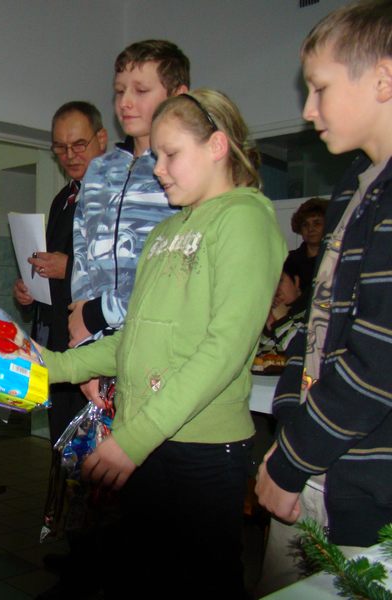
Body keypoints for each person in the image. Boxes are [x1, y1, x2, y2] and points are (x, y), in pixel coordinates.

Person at [41, 90, 285, 597]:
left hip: (201, 448)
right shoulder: (166, 231)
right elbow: (133, 338)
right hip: (147, 437)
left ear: (217, 146)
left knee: (202, 583)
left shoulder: (244, 219)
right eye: (156, 156)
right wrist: (52, 366)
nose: (158, 169)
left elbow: (225, 350)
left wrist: (132, 439)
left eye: (171, 154)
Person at [255, 0, 392, 593]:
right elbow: (316, 327)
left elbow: (378, 364)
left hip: (361, 487)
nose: (308, 110)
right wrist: (290, 438)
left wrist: (291, 459)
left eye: (320, 89)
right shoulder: (354, 186)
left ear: (383, 78)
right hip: (312, 463)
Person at [67, 40, 189, 351]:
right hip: (96, 337)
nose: (125, 103)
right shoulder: (98, 170)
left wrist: (100, 314)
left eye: (141, 91)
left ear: (178, 96)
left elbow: (180, 271)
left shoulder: (185, 172)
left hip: (159, 338)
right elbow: (82, 252)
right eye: (120, 91)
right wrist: (86, 330)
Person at [13, 101, 108, 444]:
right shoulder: (63, 199)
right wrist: (31, 286)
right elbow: (54, 265)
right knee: (62, 439)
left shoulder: (118, 198)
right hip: (57, 335)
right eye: (60, 147)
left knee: (96, 446)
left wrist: (68, 267)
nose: (69, 155)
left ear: (101, 138)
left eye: (78, 145)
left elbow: (132, 274)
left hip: (100, 338)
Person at [258, 258, 308, 356]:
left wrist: (282, 320)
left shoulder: (311, 312)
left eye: (280, 281)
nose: (275, 289)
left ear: (296, 281)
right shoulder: (266, 313)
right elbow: (260, 358)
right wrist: (269, 329)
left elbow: (301, 352)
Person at [284, 197, 327, 293]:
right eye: (305, 225)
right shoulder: (289, 260)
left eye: (317, 223)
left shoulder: (334, 258)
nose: (310, 229)